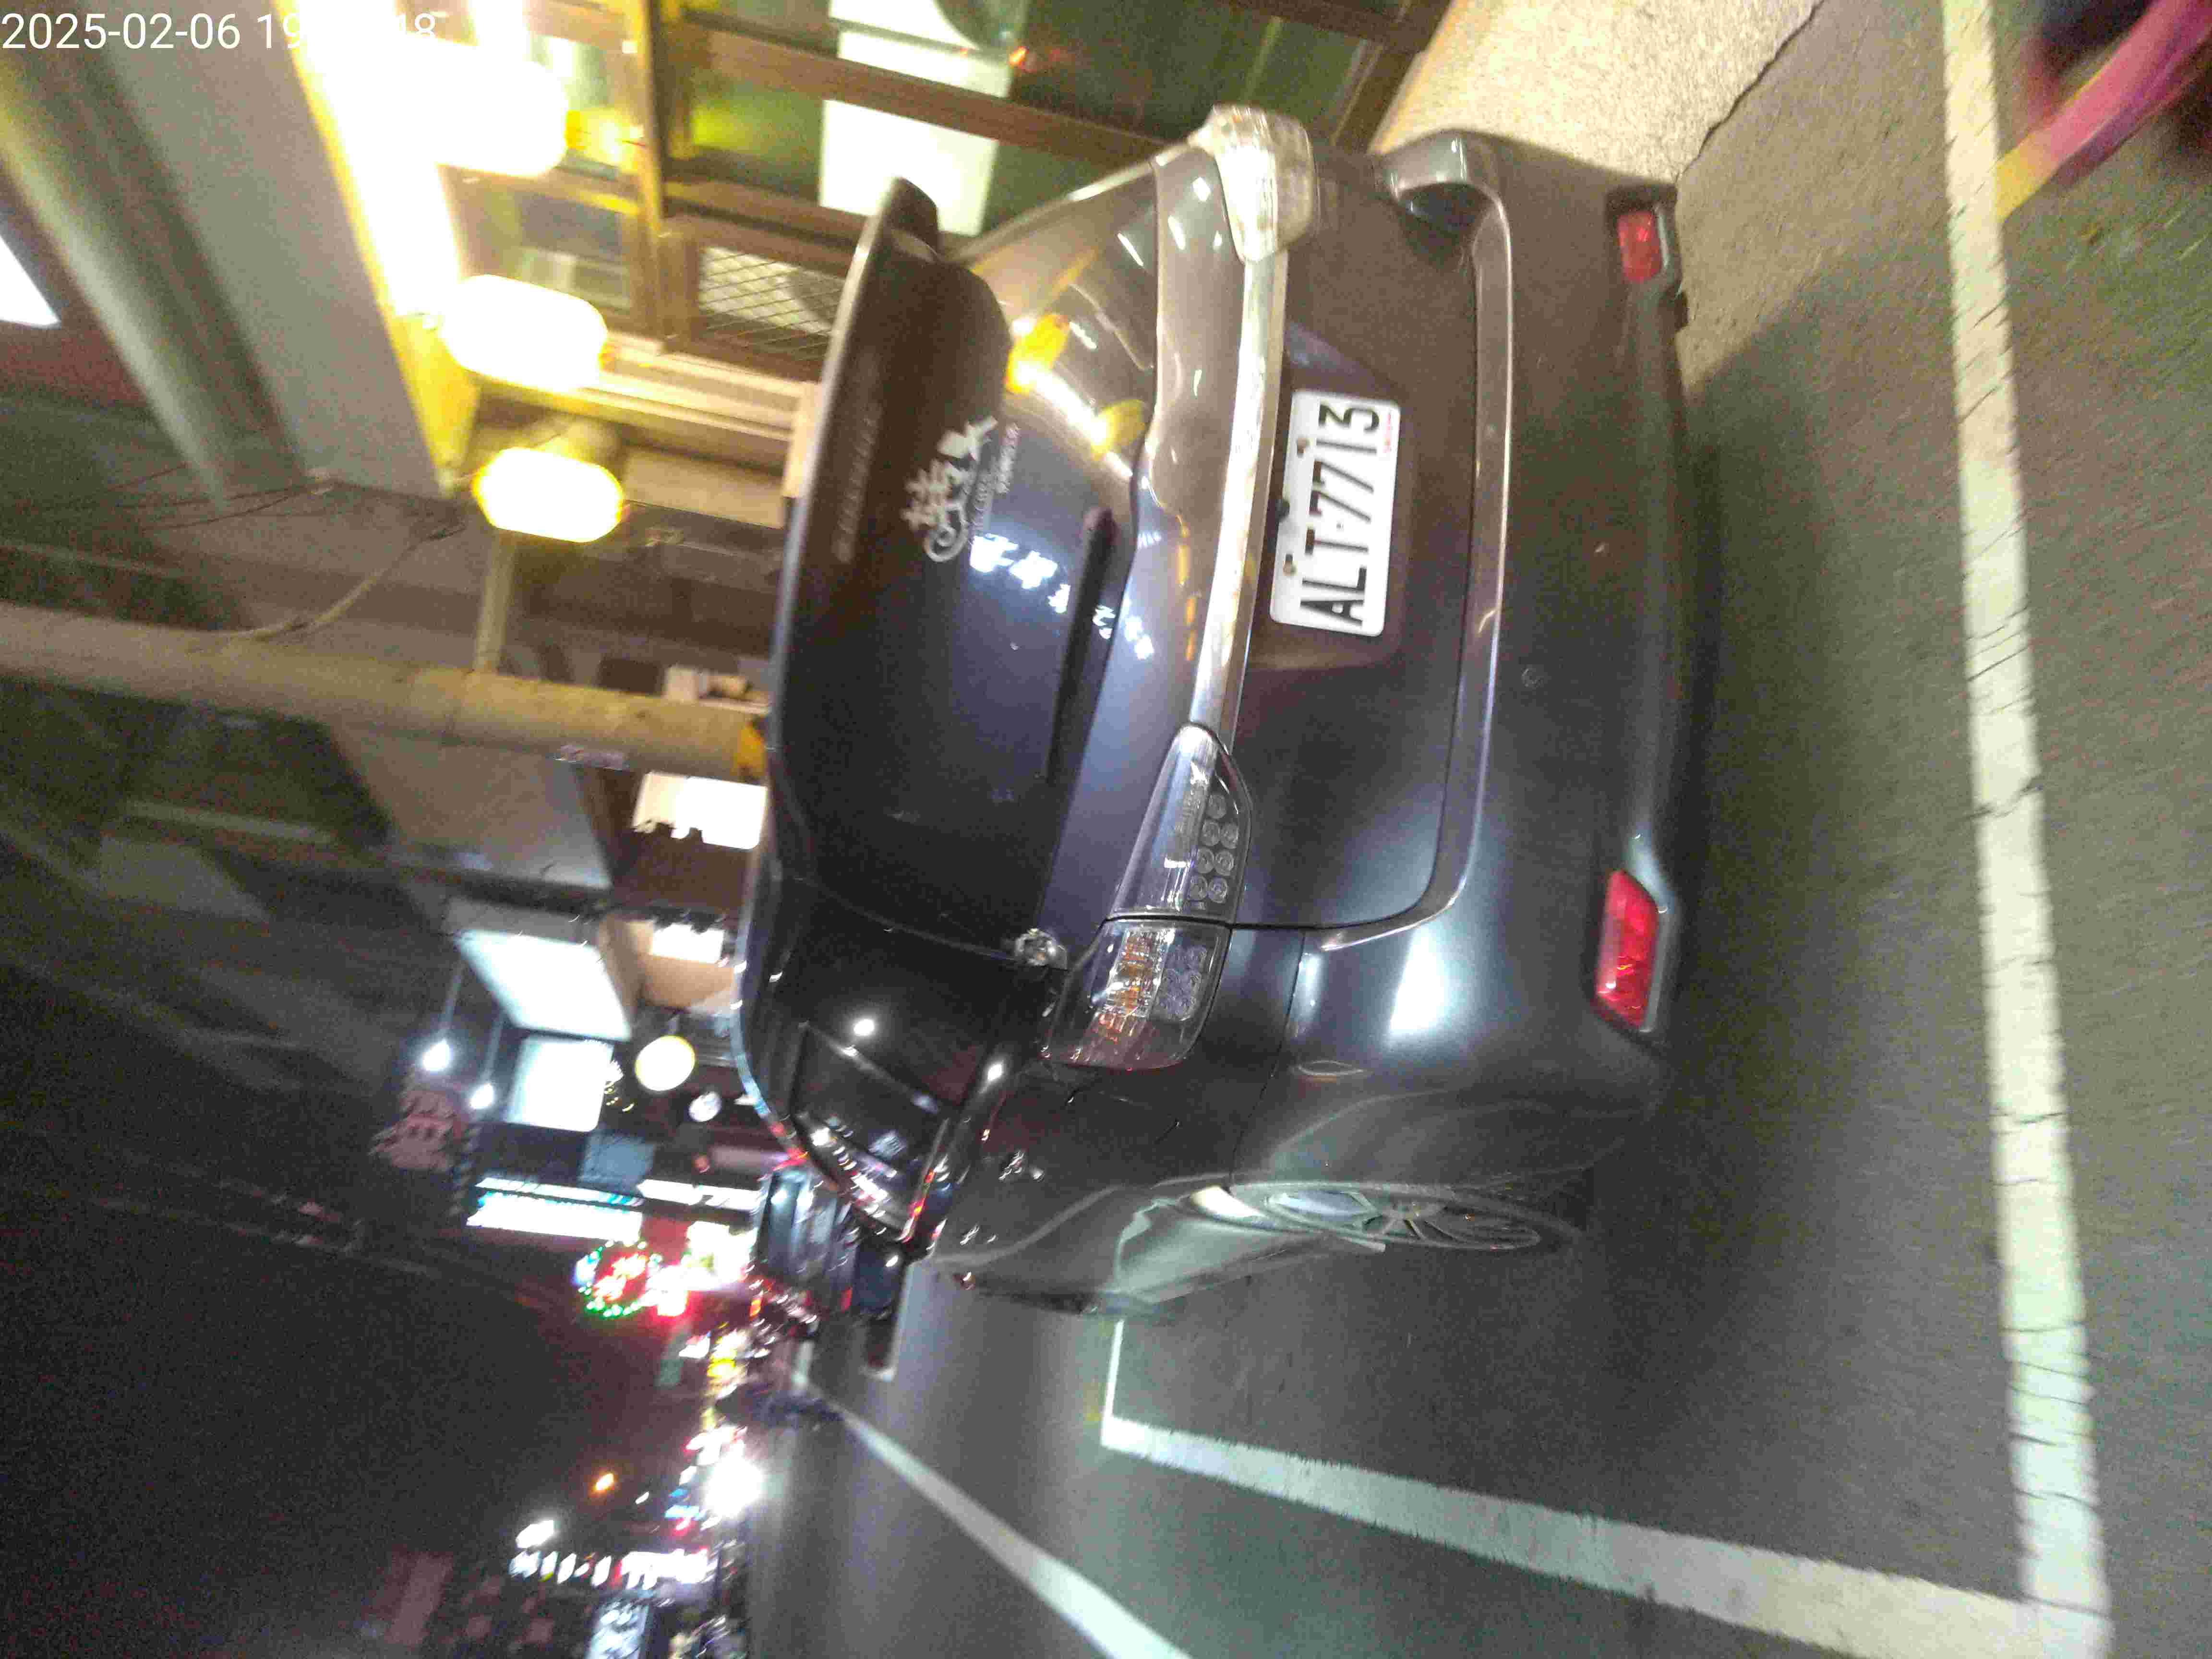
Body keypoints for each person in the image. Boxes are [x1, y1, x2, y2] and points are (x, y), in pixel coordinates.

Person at [714, 1374, 840, 1431]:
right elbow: (752, 1386)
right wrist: (768, 1384)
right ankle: (819, 1408)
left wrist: (763, 1426)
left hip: (766, 1418)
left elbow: (748, 1424)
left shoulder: (733, 1418)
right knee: (796, 1403)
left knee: (790, 1420)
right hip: (769, 1401)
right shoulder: (736, 1394)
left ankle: (812, 1420)